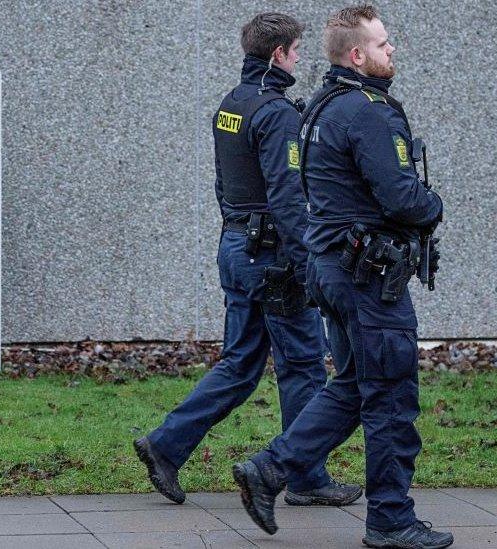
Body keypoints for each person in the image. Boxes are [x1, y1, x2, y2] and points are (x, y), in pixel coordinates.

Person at [231, 5, 453, 549]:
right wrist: (435, 205)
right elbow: (402, 197)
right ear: (358, 55)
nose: (391, 50)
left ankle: (269, 468)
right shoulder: (368, 113)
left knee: (352, 388)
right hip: (369, 278)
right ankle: (391, 520)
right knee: (391, 397)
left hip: (334, 271)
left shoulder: (323, 107)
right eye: (382, 44)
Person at [134, 11, 362, 508]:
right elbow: (287, 198)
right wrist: (309, 267)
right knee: (303, 364)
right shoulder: (278, 113)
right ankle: (304, 477)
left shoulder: (231, 105)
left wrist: (238, 234)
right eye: (297, 50)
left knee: (240, 364)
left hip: (237, 247)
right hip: (275, 259)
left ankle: (165, 446)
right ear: (278, 53)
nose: (301, 58)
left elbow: (223, 183)